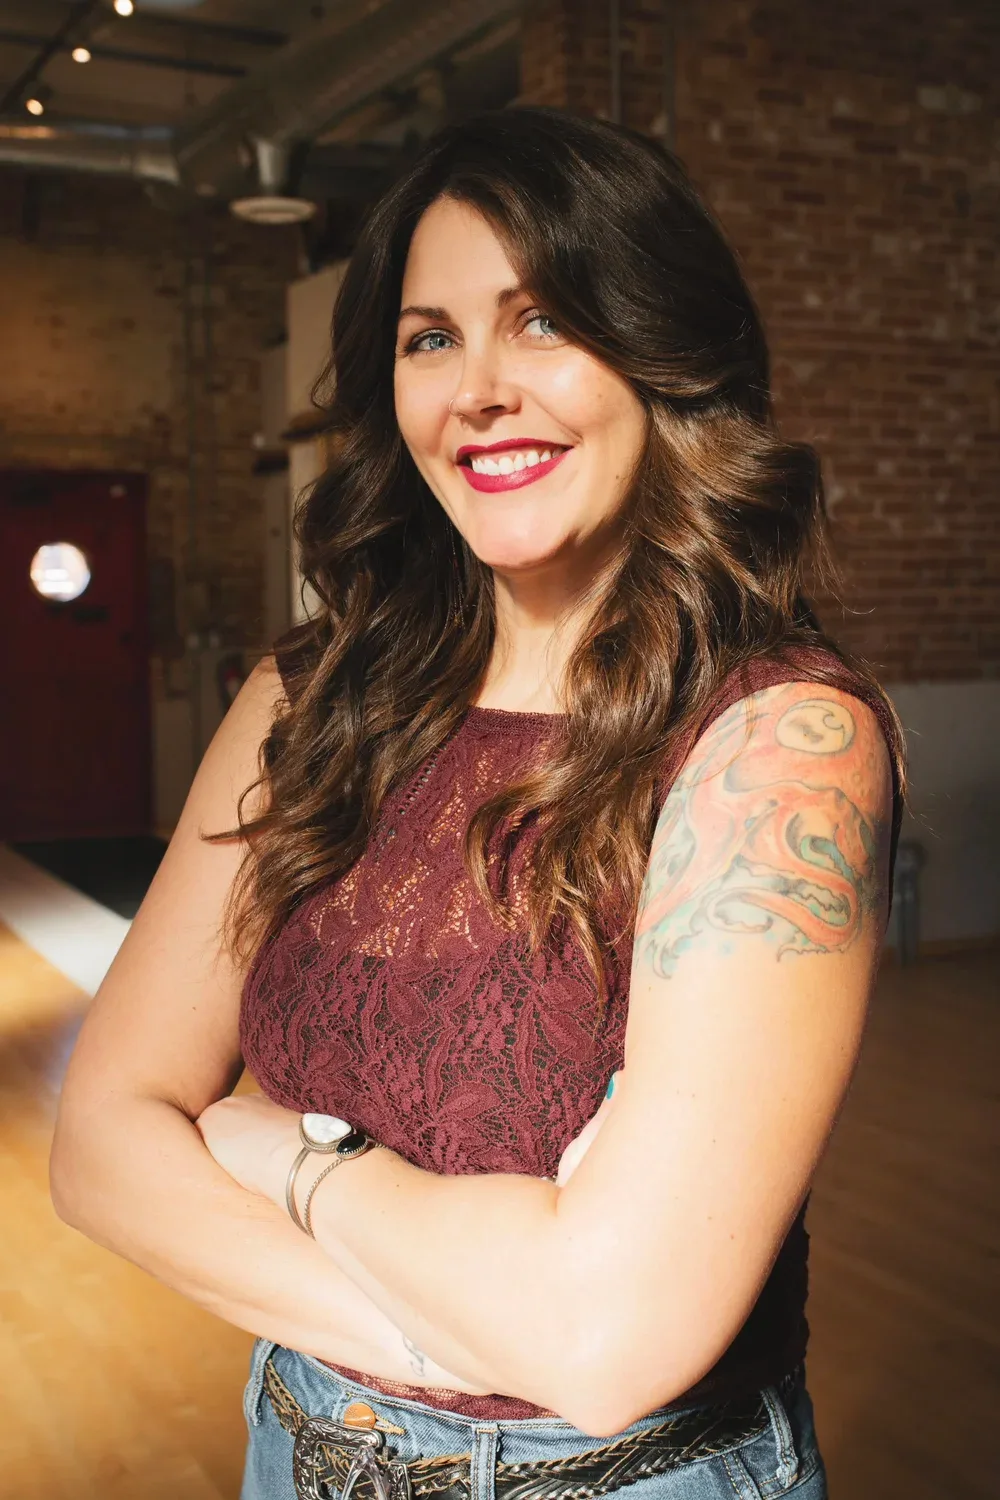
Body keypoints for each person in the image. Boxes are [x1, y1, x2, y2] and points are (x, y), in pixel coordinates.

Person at [51, 106, 905, 1500]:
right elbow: (99, 1148)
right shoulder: (304, 703)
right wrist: (472, 1327)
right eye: (431, 338)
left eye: (545, 321)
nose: (480, 391)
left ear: (661, 353)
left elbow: (611, 1343)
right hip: (297, 1446)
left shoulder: (776, 741)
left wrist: (296, 1162)